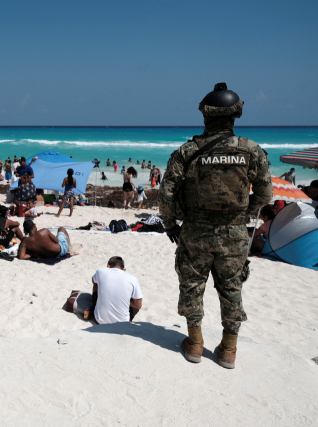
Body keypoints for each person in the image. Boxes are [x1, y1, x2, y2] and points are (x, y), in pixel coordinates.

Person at [158, 83, 273, 369]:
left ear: (205, 116)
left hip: (195, 230)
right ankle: (228, 350)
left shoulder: (187, 151)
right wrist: (241, 214)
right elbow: (265, 195)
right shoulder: (252, 150)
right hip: (234, 233)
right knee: (232, 287)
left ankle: (195, 344)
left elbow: (167, 193)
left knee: (192, 285)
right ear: (235, 116)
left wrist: (171, 224)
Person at [89, 256, 143, 324]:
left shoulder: (100, 271)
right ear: (124, 270)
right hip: (122, 324)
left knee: (96, 284)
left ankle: (95, 306)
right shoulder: (132, 278)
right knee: (135, 300)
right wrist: (124, 300)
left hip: (99, 320)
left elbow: (93, 281)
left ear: (108, 266)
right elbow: (138, 306)